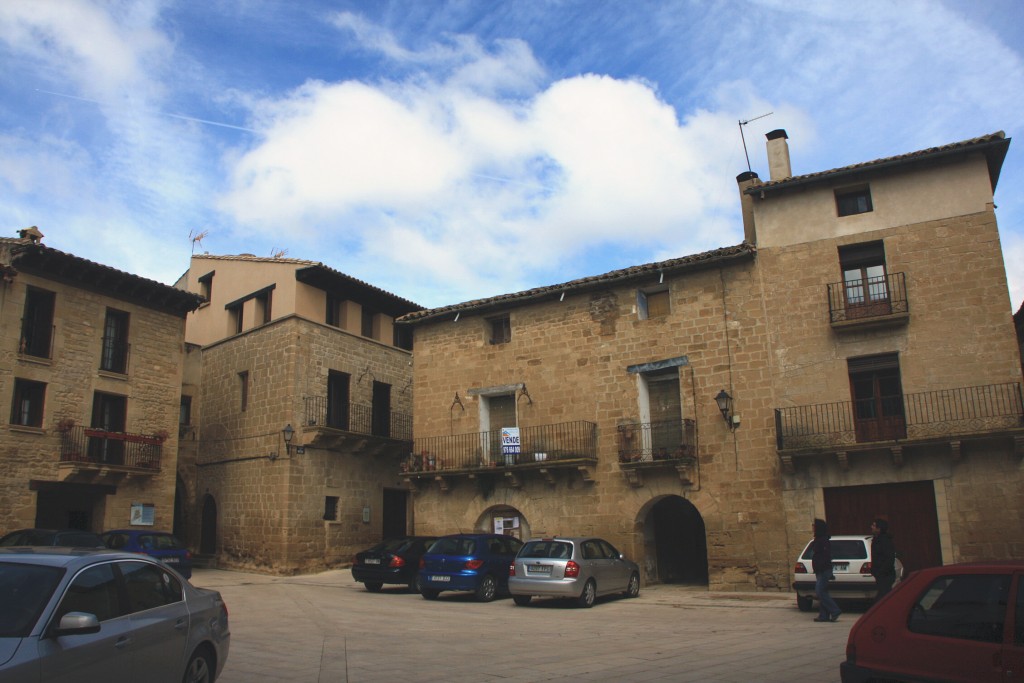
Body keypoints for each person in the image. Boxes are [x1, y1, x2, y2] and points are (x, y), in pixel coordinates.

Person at [811, 518, 841, 622]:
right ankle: (823, 615)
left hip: (824, 570)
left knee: (820, 592)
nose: (812, 527)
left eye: (814, 525)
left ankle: (835, 610)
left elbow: (825, 556)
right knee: (823, 591)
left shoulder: (823, 540)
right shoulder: (818, 539)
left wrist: (824, 569)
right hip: (820, 570)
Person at [870, 518, 897, 601]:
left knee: (883, 598)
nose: (871, 527)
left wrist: (881, 571)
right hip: (879, 574)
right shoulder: (875, 540)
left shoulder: (885, 541)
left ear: (879, 528)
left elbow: (889, 558)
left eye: (874, 526)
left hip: (886, 575)